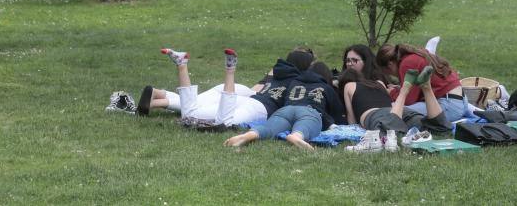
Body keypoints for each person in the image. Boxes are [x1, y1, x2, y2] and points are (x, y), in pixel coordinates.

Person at [150, 47, 309, 128]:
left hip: (245, 97)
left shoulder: (277, 70)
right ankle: (230, 70)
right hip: (258, 107)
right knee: (224, 123)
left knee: (190, 113)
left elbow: (258, 86)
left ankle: (182, 65)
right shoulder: (299, 81)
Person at [224, 62, 345, 150]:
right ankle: (297, 136)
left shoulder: (293, 82)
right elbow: (337, 114)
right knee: (306, 125)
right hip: (309, 111)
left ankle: (251, 134)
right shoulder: (326, 87)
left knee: (270, 128)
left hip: (285, 110)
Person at [340, 65, 451, 152]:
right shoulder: (379, 83)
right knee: (439, 129)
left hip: (379, 115)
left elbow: (352, 122)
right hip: (400, 109)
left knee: (389, 133)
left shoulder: (348, 85)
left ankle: (404, 90)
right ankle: (426, 87)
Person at [376, 43, 467, 122]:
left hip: (449, 106)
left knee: (394, 111)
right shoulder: (414, 55)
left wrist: (390, 93)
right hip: (460, 101)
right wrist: (398, 89)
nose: (392, 76)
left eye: (388, 73)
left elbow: (408, 100)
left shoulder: (406, 63)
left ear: (390, 65)